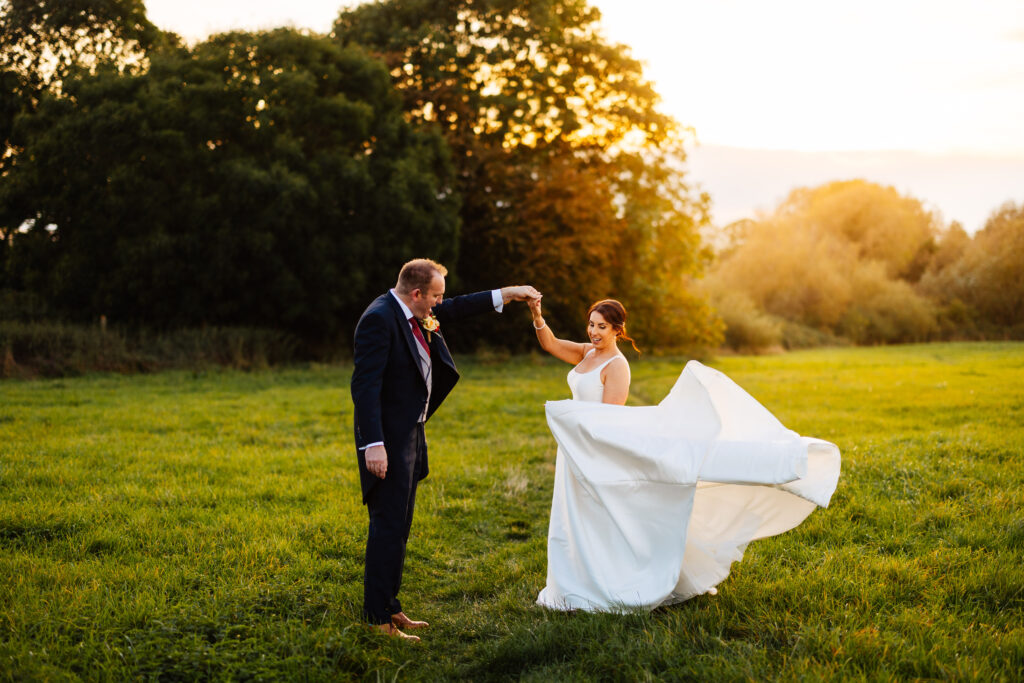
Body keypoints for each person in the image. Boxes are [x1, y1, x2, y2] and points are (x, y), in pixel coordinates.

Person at [528, 297, 841, 611]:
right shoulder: (586, 352)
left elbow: (609, 420)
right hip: (574, 448)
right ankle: (575, 578)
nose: (594, 332)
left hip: (594, 450)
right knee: (575, 518)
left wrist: (571, 419)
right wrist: (537, 313)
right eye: (591, 324)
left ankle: (609, 581)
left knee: (598, 517)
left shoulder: (617, 366)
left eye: (602, 327)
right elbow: (551, 343)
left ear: (618, 330)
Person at [350, 258, 539, 640]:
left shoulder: (414, 310)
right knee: (386, 527)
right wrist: (373, 445)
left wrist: (509, 293)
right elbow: (365, 388)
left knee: (400, 527)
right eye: (435, 296)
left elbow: (457, 307)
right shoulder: (379, 319)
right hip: (385, 441)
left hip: (411, 433)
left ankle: (391, 607)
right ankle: (377, 620)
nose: (440, 303)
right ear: (417, 293)